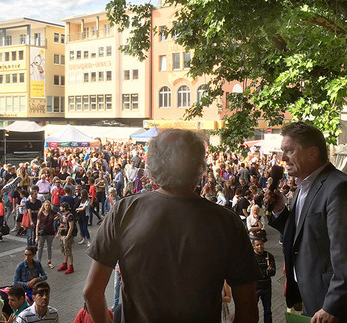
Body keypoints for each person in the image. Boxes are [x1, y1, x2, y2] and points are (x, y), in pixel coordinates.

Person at [84, 129, 261, 322]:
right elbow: (248, 311)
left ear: (152, 164)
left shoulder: (124, 211)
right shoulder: (227, 222)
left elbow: (92, 292)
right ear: (199, 166)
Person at [265, 121, 347, 321]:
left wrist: (333, 305)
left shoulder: (340, 189)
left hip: (343, 311)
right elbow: (302, 236)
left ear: (312, 153)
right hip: (316, 303)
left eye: (289, 151)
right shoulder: (303, 189)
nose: (283, 158)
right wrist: (279, 210)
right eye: (282, 151)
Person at [253, 238, 275, 323]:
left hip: (267, 288)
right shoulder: (250, 257)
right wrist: (266, 271)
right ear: (254, 246)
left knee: (267, 310)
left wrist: (259, 271)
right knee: (253, 310)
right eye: (257, 245)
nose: (260, 246)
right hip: (255, 288)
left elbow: (273, 272)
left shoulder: (269, 256)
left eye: (261, 244)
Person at [35, 200, 57, 269]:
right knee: (40, 247)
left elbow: (59, 215)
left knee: (49, 247)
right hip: (42, 232)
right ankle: (38, 262)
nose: (47, 207)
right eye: (46, 205)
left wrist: (54, 219)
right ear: (43, 206)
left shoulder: (52, 212)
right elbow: (37, 225)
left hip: (50, 232)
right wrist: (36, 236)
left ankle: (49, 261)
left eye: (48, 205)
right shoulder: (40, 214)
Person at [56, 202, 76, 274]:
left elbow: (71, 227)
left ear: (64, 207)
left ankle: (71, 265)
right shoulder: (63, 215)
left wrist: (68, 236)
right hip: (62, 234)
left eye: (61, 207)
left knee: (68, 251)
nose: (60, 208)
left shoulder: (70, 216)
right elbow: (61, 224)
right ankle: (65, 263)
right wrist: (58, 233)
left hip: (67, 235)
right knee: (64, 250)